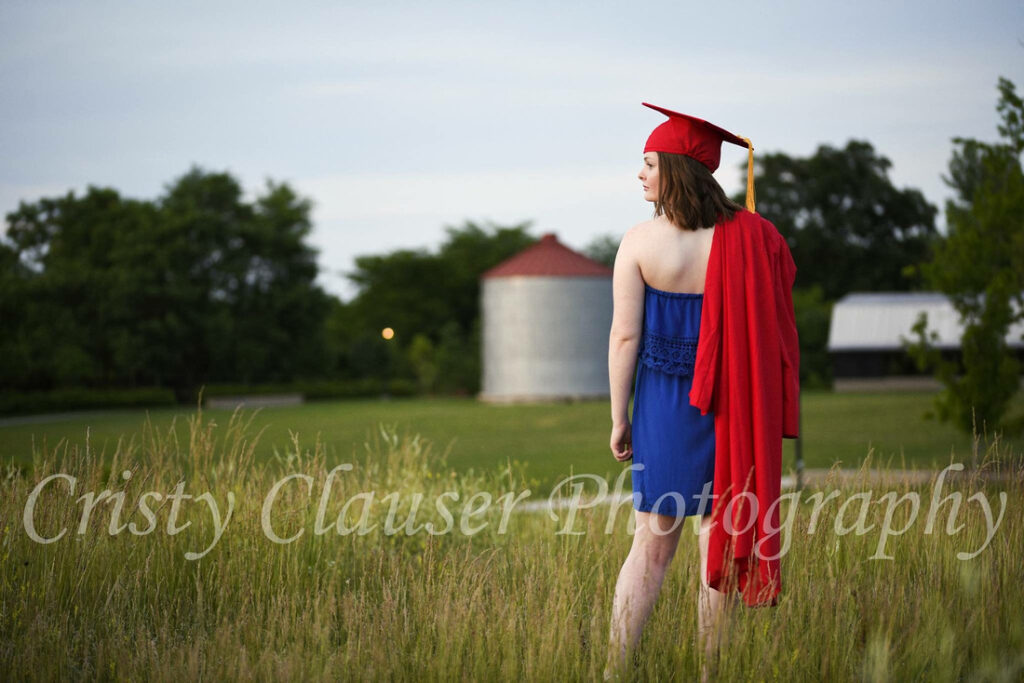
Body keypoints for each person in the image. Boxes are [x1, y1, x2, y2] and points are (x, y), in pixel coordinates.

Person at [605, 103, 792, 680]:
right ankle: (713, 675)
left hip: (663, 407)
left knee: (651, 547)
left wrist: (620, 419)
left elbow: (624, 337)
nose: (640, 175)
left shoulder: (639, 242)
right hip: (731, 405)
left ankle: (616, 670)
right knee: (720, 540)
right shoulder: (752, 238)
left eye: (649, 164)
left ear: (676, 170)